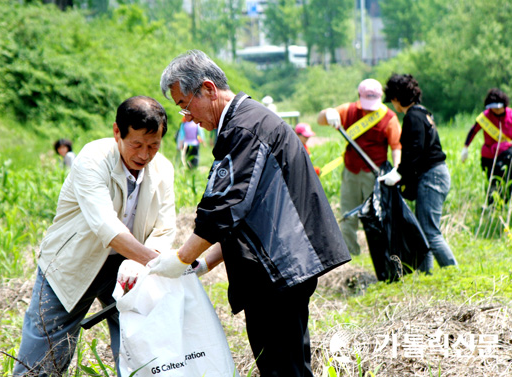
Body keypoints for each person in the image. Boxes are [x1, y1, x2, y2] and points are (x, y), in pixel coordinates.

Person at [153, 49, 350, 377]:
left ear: (209, 89)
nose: (187, 117)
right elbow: (246, 211)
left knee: (283, 369)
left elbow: (224, 205)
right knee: (282, 366)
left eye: (185, 105)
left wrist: (182, 258)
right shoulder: (242, 122)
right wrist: (206, 261)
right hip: (278, 266)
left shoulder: (246, 127)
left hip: (281, 268)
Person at [13, 96, 177, 376]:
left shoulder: (162, 169)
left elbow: (164, 228)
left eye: (153, 146)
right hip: (73, 261)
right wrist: (157, 263)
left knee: (140, 346)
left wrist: (145, 263)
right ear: (117, 132)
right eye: (136, 144)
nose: (144, 154)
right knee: (43, 358)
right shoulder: (92, 159)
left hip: (130, 265)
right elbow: (107, 228)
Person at [379, 73, 458, 273]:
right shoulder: (423, 113)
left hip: (432, 176)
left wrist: (398, 173)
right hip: (435, 175)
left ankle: (453, 272)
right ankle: (426, 273)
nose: (393, 105)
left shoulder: (412, 116)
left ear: (397, 98)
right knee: (424, 229)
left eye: (393, 100)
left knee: (430, 231)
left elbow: (415, 150)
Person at [317, 78, 402, 256]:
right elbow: (320, 120)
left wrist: (397, 168)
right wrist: (328, 112)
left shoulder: (389, 118)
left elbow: (396, 146)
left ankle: (382, 256)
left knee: (377, 217)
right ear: (359, 97)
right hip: (351, 171)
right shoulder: (348, 110)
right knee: (348, 215)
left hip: (374, 174)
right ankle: (350, 255)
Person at [461, 88, 512, 204]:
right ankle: (492, 205)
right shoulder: (485, 117)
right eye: (493, 108)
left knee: (508, 180)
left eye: (498, 107)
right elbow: (473, 131)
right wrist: (465, 147)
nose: (496, 110)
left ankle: (505, 203)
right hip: (489, 155)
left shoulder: (511, 115)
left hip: (507, 154)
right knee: (492, 181)